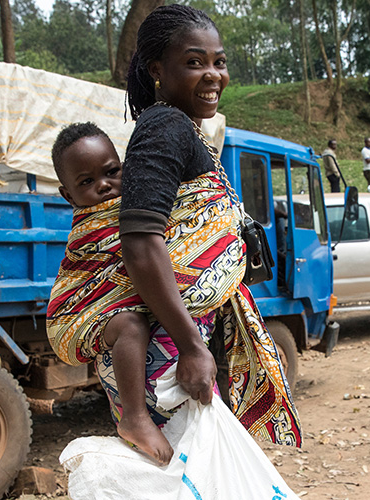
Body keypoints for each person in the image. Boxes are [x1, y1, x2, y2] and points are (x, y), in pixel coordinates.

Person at [46, 3, 300, 467]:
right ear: (157, 70)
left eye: (218, 61)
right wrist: (191, 346)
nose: (212, 74)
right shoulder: (165, 127)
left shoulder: (183, 130)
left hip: (178, 333)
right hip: (168, 343)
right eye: (194, 61)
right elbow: (141, 243)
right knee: (180, 475)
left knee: (193, 474)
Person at [50, 122, 176, 463]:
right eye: (87, 182)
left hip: (122, 339)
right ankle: (134, 418)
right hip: (76, 318)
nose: (104, 186)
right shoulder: (92, 226)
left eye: (111, 172)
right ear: (68, 196)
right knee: (132, 325)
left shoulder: (138, 206)